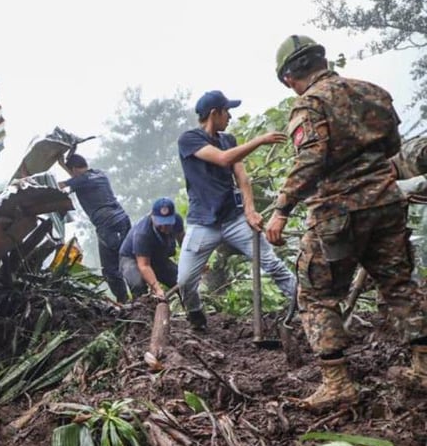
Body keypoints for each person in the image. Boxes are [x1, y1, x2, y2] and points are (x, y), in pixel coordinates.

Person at [266, 35, 427, 410]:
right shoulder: (374, 93)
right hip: (387, 203)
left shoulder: (310, 104)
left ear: (290, 77)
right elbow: (392, 148)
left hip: (337, 215)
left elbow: (310, 160)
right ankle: (423, 367)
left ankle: (337, 382)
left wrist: (282, 208)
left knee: (317, 294)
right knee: (400, 286)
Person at [176, 90, 296, 331]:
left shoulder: (228, 139)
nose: (229, 117)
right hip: (203, 224)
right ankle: (195, 314)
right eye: (226, 111)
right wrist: (259, 140)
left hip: (234, 219)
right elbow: (222, 159)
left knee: (273, 264)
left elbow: (242, 178)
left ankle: (306, 305)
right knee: (185, 281)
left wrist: (250, 211)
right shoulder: (189, 140)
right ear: (214, 113)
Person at [58, 154, 132, 302]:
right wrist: (62, 164)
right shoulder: (99, 174)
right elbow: (78, 178)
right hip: (122, 220)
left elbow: (62, 186)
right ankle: (140, 295)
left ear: (73, 170)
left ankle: (124, 301)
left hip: (108, 225)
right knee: (129, 258)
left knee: (111, 268)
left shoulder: (83, 180)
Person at [119, 198, 185, 300]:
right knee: (138, 285)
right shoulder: (143, 233)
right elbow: (144, 266)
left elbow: (184, 244)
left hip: (157, 257)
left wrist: (192, 265)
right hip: (132, 259)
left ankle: (192, 312)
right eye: (161, 223)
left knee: (182, 282)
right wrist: (157, 288)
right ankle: (143, 311)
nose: (164, 228)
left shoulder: (178, 221)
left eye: (168, 223)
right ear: (152, 216)